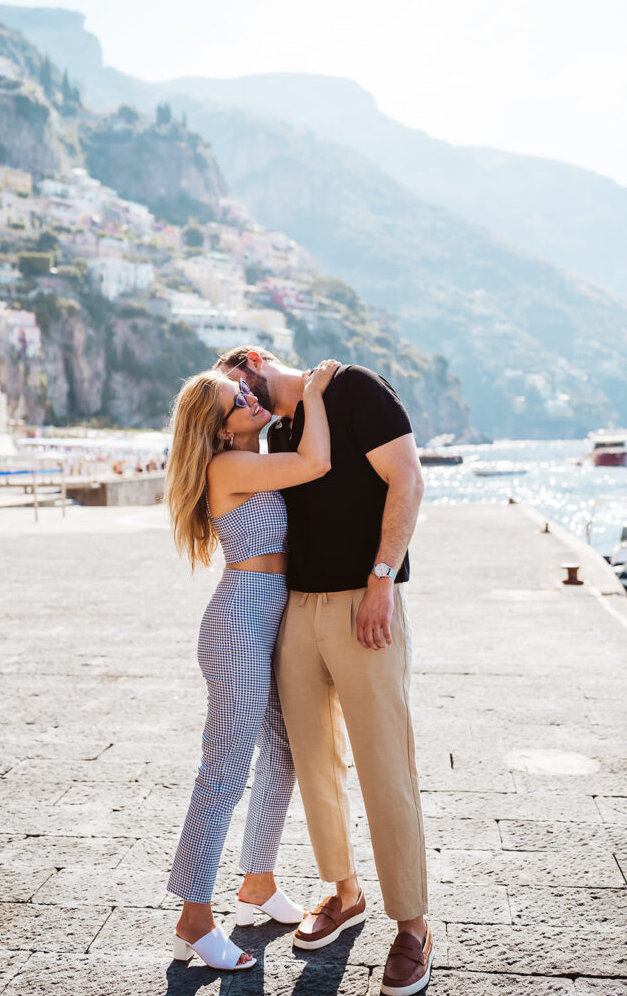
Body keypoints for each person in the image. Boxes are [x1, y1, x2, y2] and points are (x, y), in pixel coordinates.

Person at [215, 347, 432, 995]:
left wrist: (381, 579)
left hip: (366, 603)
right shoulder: (280, 431)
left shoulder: (357, 387)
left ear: (254, 360)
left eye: (237, 387)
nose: (240, 404)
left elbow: (408, 479)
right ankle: (344, 891)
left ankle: (414, 927)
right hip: (296, 614)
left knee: (383, 764)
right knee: (312, 763)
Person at [164, 359, 339, 972]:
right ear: (219, 430)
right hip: (240, 620)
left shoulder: (253, 453)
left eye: (243, 385)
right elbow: (315, 463)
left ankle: (257, 881)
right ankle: (193, 916)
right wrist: (315, 392)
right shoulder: (228, 465)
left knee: (285, 751)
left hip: (266, 617)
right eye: (235, 396)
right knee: (224, 770)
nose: (248, 393)